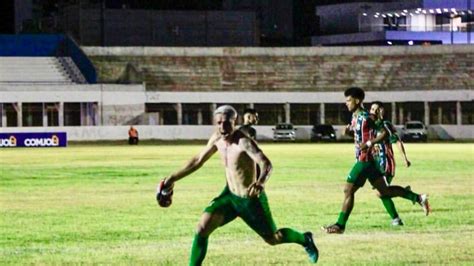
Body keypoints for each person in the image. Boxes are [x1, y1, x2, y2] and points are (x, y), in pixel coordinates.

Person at [156, 105, 319, 265]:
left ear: (234, 122)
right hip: (229, 196)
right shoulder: (217, 139)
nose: (222, 127)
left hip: (250, 200)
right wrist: (171, 179)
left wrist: (260, 183)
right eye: (219, 123)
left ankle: (305, 239)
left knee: (273, 238)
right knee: (202, 229)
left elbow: (266, 164)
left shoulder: (243, 142)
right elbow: (197, 161)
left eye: (226, 122)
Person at [322, 87, 430, 234]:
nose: (346, 103)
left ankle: (340, 225)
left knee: (348, 190)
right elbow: (359, 136)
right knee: (384, 191)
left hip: (364, 160)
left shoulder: (367, 117)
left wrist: (369, 143)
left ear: (357, 100)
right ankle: (418, 198)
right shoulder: (355, 117)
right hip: (371, 162)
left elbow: (385, 133)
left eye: (349, 100)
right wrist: (348, 133)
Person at [370, 101, 411, 226]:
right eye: (371, 109)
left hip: (386, 163)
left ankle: (412, 199)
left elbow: (397, 141)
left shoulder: (385, 125)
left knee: (380, 192)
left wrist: (404, 158)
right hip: (376, 164)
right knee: (382, 192)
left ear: (381, 111)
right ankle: (404, 193)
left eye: (375, 109)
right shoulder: (370, 126)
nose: (372, 111)